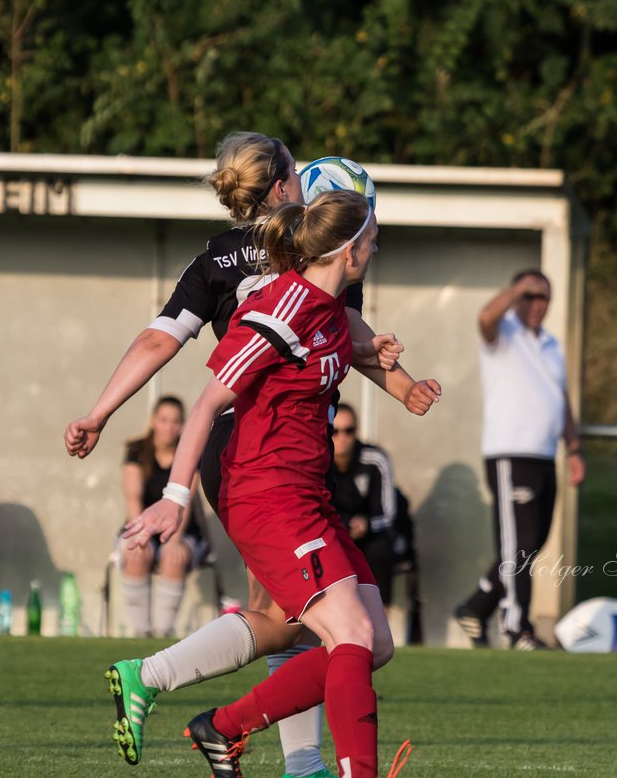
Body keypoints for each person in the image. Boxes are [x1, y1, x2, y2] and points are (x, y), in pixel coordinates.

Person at [67, 132, 438, 776]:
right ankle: (273, 748)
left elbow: (161, 340)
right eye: (300, 175)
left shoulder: (230, 256)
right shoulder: (303, 266)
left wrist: (100, 411)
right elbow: (223, 386)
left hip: (276, 462)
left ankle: (223, 722)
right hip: (258, 459)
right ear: (286, 186)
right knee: (317, 623)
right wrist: (171, 500)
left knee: (318, 625)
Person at [127, 191, 403, 778]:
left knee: (374, 642)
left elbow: (321, 355)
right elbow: (206, 405)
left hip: (308, 497)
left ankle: (221, 728)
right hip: (267, 497)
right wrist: (174, 499)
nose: (377, 246)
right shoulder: (282, 309)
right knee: (347, 632)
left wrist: (366, 349)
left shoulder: (329, 310)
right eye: (373, 238)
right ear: (349, 251)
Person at [453, 269, 585, 650]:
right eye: (530, 296)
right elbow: (484, 318)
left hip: (545, 455)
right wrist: (516, 290)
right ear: (516, 297)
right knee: (518, 547)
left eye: (543, 297)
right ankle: (516, 628)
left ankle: (476, 606)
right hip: (510, 454)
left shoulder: (552, 345)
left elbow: (561, 401)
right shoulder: (503, 334)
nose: (536, 304)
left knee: (531, 545)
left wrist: (574, 449)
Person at [117, 395, 210, 637]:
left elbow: (185, 501)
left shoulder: (191, 453)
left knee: (173, 556)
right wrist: (141, 537)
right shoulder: (136, 451)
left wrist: (175, 540)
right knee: (135, 552)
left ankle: (161, 634)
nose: (170, 427)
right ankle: (141, 633)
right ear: (153, 421)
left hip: (182, 530)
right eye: (164, 420)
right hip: (142, 526)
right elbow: (133, 498)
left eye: (176, 421)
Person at [329, 403, 402, 606]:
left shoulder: (375, 459)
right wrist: (345, 524)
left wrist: (366, 524)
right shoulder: (318, 459)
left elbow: (388, 513)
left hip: (371, 534)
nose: (342, 437)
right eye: (335, 431)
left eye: (349, 431)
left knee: (380, 550)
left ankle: (380, 619)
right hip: (334, 532)